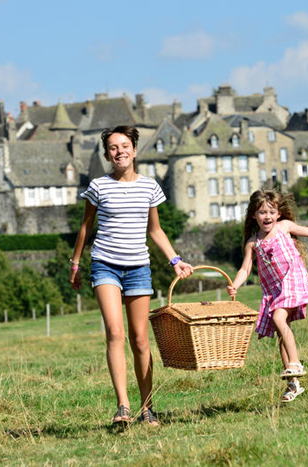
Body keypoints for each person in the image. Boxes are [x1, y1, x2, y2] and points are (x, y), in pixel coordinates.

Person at [70, 125, 193, 426]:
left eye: (125, 146)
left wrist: (175, 260)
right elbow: (86, 226)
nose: (120, 151)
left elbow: (155, 230)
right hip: (105, 265)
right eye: (113, 147)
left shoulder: (150, 187)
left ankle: (147, 407)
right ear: (107, 155)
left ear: (135, 150)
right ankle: (123, 406)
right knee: (115, 333)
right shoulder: (98, 186)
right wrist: (75, 264)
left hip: (139, 267)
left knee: (140, 340)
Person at [227, 189, 308, 403]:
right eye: (262, 212)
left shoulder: (284, 228)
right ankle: (294, 385)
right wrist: (234, 285)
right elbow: (245, 269)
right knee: (281, 333)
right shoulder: (253, 243)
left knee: (279, 319)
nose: (267, 216)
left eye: (271, 211)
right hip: (274, 291)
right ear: (254, 215)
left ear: (279, 213)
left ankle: (295, 363)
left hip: (293, 280)